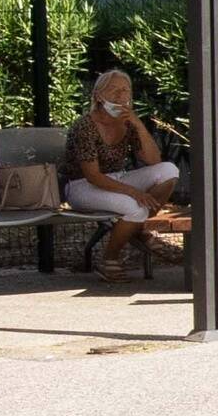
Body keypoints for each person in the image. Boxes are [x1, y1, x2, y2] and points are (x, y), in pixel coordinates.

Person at [59, 66, 179, 277]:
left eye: (126, 91)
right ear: (98, 95)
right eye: (114, 90)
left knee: (169, 170)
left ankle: (136, 228)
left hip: (117, 178)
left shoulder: (127, 122)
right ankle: (109, 259)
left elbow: (153, 160)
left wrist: (137, 123)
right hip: (81, 186)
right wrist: (134, 192)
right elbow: (93, 175)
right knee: (134, 206)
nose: (121, 96)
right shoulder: (85, 126)